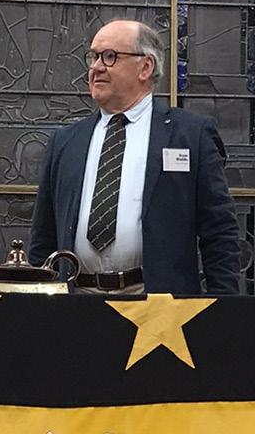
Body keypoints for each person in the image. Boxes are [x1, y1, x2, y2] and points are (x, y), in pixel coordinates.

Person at [28, 19, 240, 295]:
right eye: (93, 57)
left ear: (145, 67)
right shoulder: (65, 142)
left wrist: (221, 307)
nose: (96, 67)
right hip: (76, 303)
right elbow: (43, 238)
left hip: (158, 305)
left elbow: (219, 231)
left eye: (110, 56)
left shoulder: (190, 136)